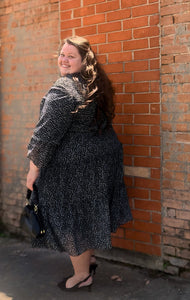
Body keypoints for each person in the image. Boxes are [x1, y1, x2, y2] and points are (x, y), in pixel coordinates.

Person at [26, 36, 132, 292]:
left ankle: (83, 275)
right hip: (101, 164)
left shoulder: (63, 89)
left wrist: (33, 171)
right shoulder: (95, 85)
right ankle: (89, 259)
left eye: (70, 56)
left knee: (72, 220)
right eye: (61, 54)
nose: (63, 59)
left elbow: (44, 137)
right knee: (87, 214)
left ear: (84, 61)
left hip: (75, 169)